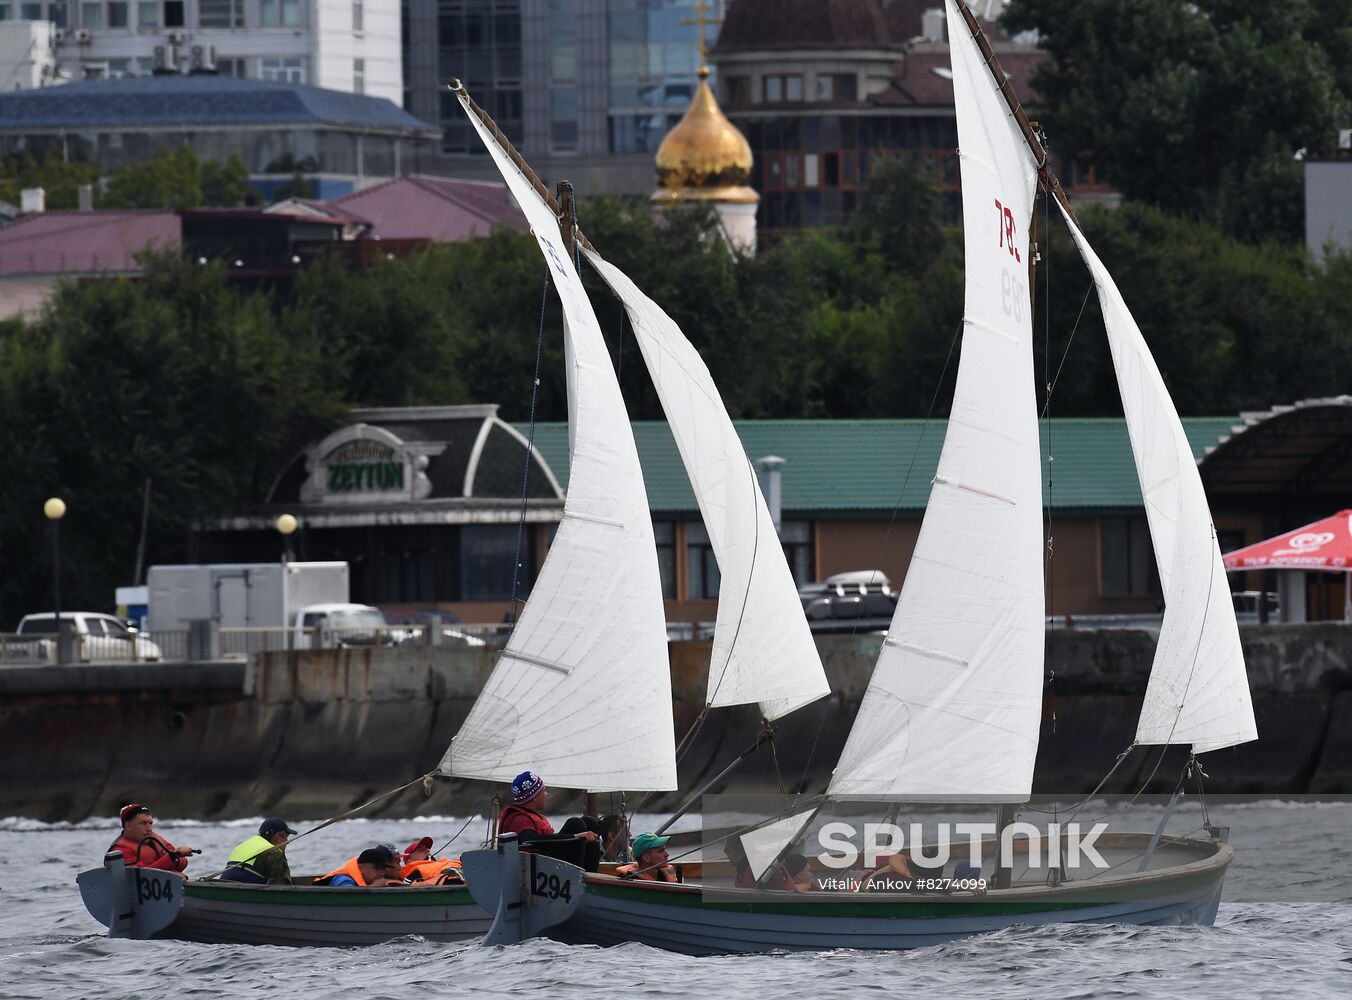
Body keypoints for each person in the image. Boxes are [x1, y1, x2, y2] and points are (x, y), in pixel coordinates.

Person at [497, 771, 603, 872]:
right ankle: (579, 877)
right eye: (543, 791)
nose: (546, 794)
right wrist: (575, 836)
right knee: (575, 824)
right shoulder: (519, 819)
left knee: (589, 822)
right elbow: (529, 840)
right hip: (541, 868)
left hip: (547, 859)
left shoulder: (530, 815)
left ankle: (591, 874)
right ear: (534, 797)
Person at [107, 803, 196, 873]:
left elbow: (183, 862)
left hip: (173, 883)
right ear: (128, 826)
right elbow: (141, 876)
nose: (149, 828)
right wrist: (172, 857)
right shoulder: (120, 849)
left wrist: (176, 858)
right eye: (143, 823)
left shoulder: (155, 838)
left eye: (150, 823)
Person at [221, 817, 297, 885]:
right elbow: (281, 886)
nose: (287, 842)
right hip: (247, 892)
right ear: (277, 837)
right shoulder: (273, 852)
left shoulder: (240, 847)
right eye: (286, 838)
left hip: (223, 887)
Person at [723, 835, 802, 892]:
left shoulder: (761, 863)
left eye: (726, 851)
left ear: (732, 851)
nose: (727, 856)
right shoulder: (743, 868)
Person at [314, 845, 404, 887]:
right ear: (361, 868)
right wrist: (374, 887)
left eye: (383, 869)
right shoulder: (343, 879)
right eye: (376, 868)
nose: (381, 873)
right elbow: (349, 897)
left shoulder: (373, 879)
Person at [398, 836, 464, 885]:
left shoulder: (442, 862)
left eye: (428, 849)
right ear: (409, 860)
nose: (428, 850)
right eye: (421, 850)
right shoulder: (414, 874)